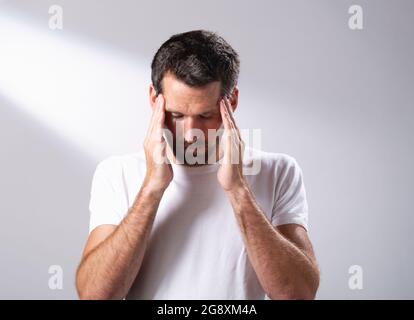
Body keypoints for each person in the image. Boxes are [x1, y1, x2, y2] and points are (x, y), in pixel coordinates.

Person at [76, 30, 320, 300]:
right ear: (153, 99)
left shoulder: (278, 172)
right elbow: (95, 296)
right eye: (176, 115)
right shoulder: (116, 173)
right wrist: (152, 189)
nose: (191, 132)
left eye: (206, 115)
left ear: (232, 102)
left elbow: (299, 294)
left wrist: (238, 190)